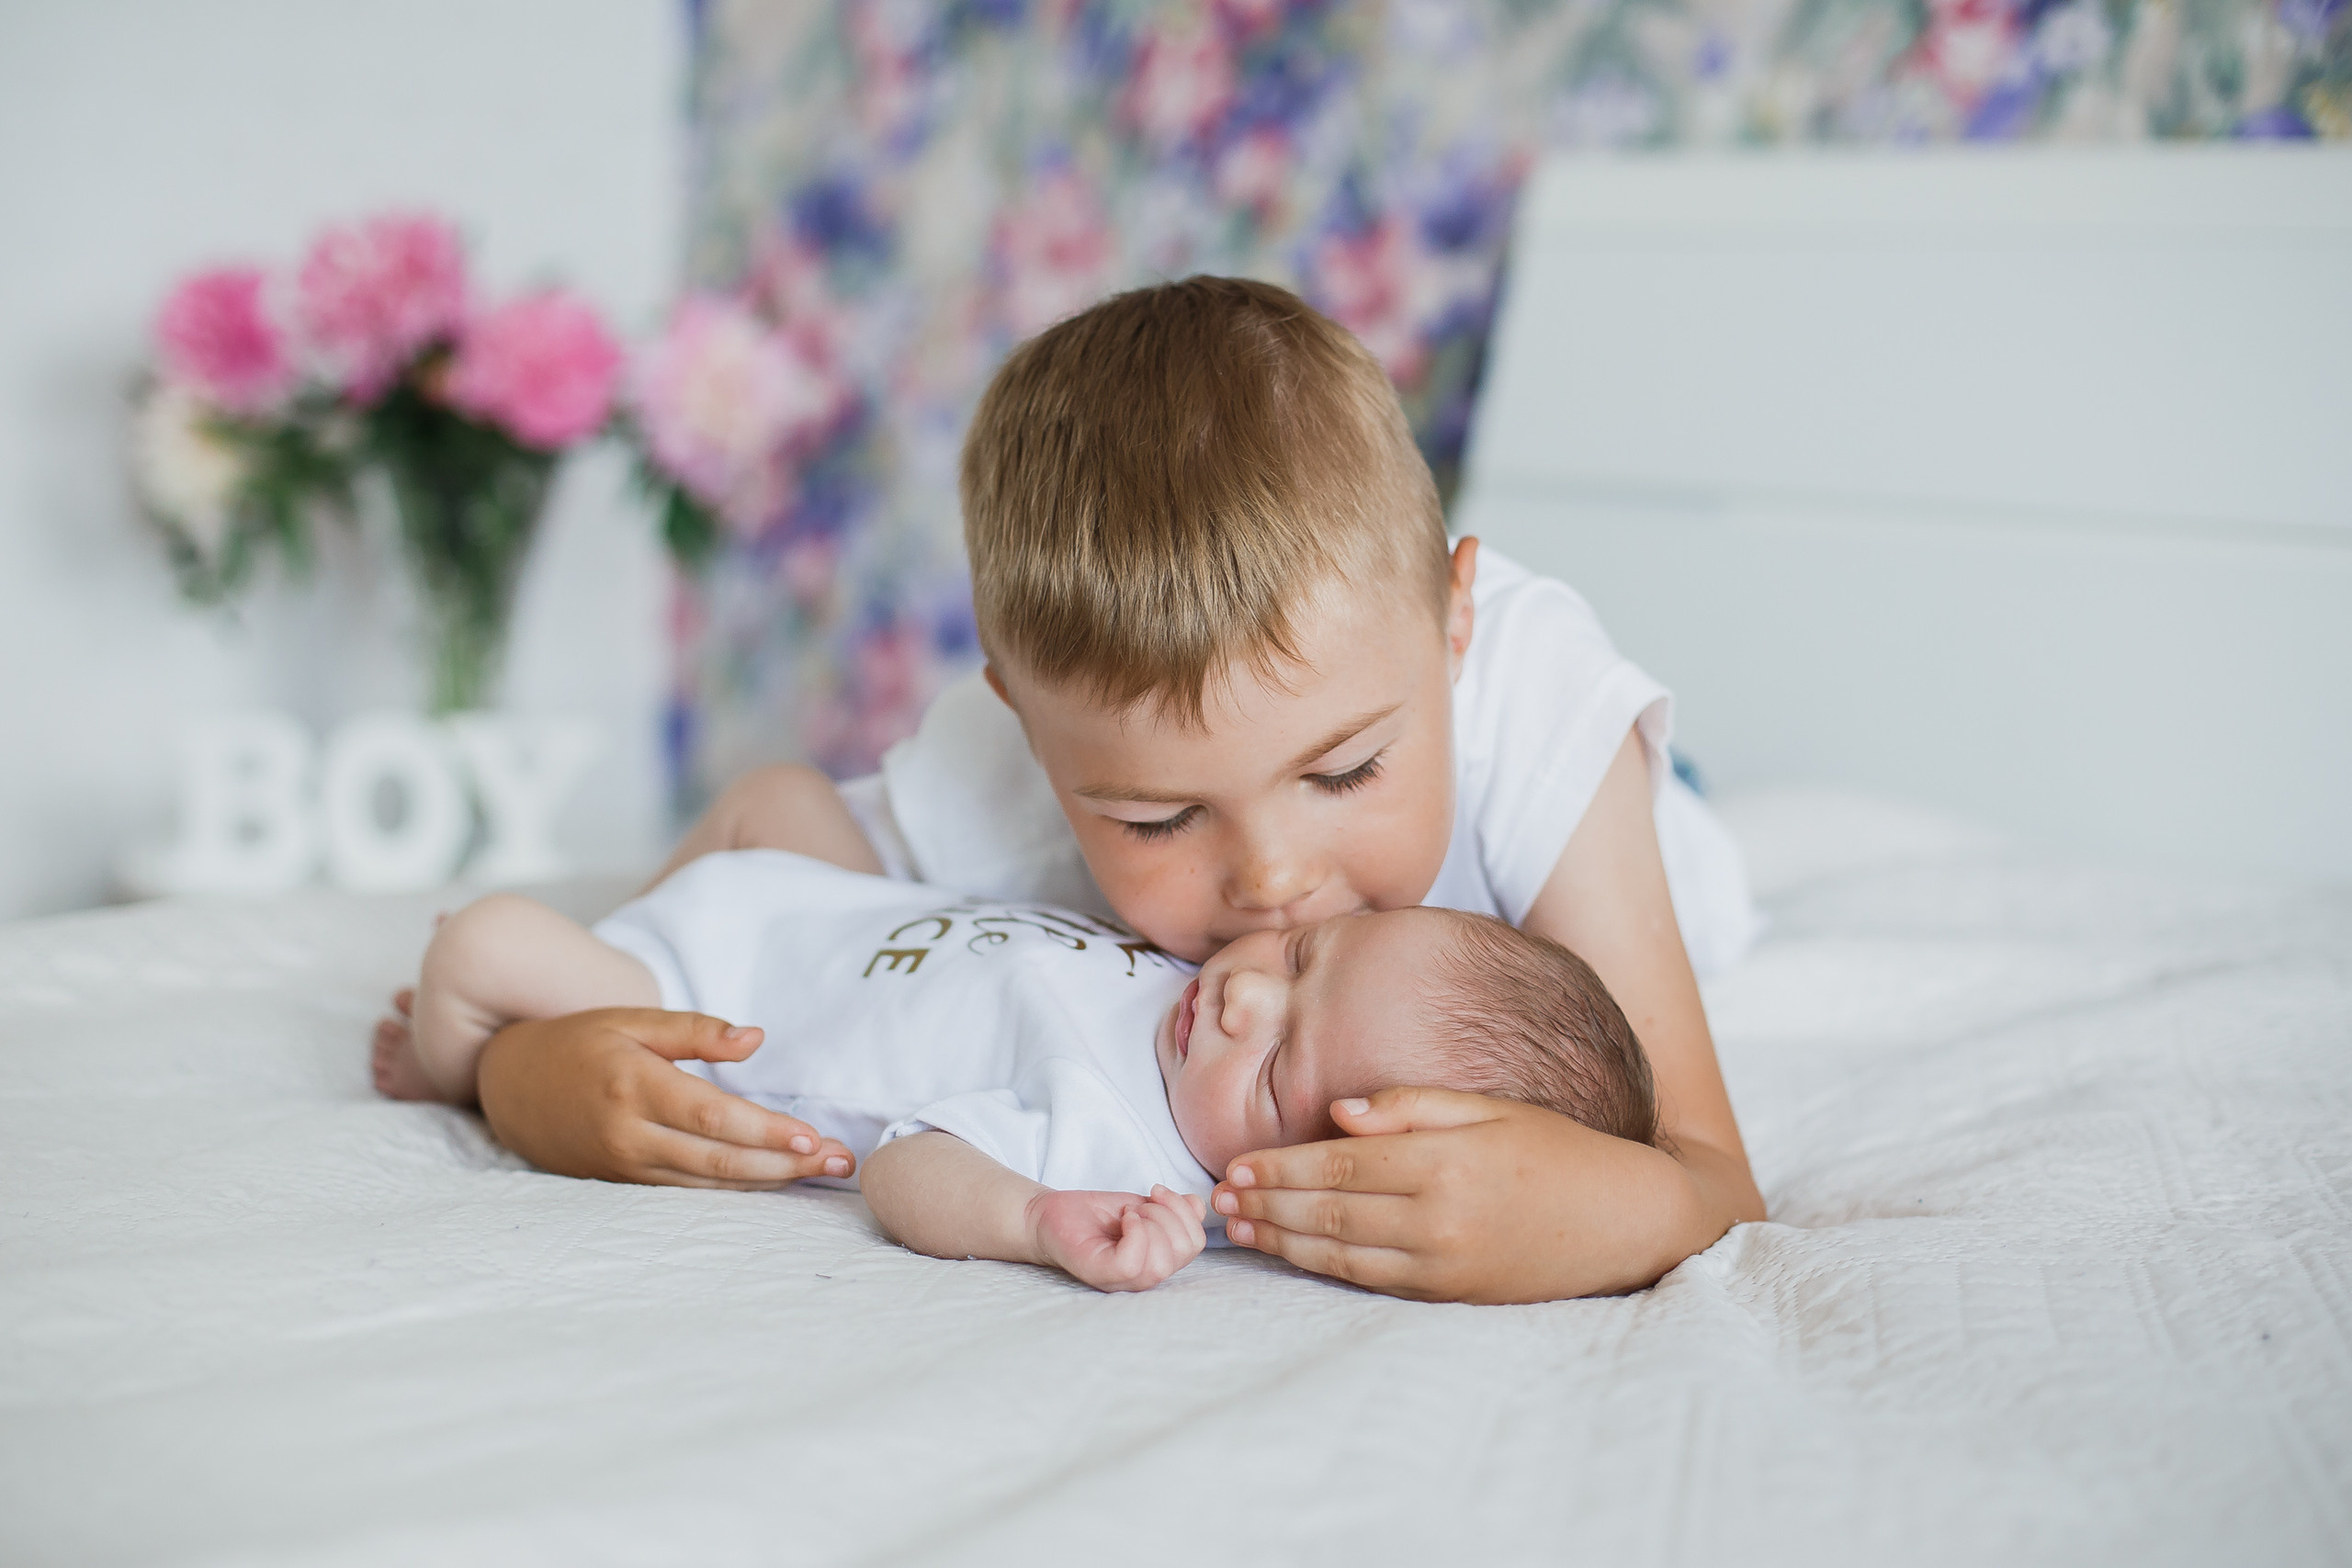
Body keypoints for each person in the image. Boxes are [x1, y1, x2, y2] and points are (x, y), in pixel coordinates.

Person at [401, 275, 1766, 1303]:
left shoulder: (1526, 707)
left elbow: (1711, 1178)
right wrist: (531, 1071)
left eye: (1346, 768)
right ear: (1027, 730)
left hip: (1640, 839)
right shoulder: (1005, 767)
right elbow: (778, 883)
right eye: (1158, 818)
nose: (1272, 880)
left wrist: (1571, 1214)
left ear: (1450, 621)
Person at [376, 838, 1657, 1294]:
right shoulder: (1198, 989)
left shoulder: (1131, 1156)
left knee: (484, 941)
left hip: (695, 996)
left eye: (1276, 1068)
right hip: (784, 900)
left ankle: (452, 1061)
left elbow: (909, 1170)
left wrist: (1036, 1221)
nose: (1244, 993)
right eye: (1306, 953)